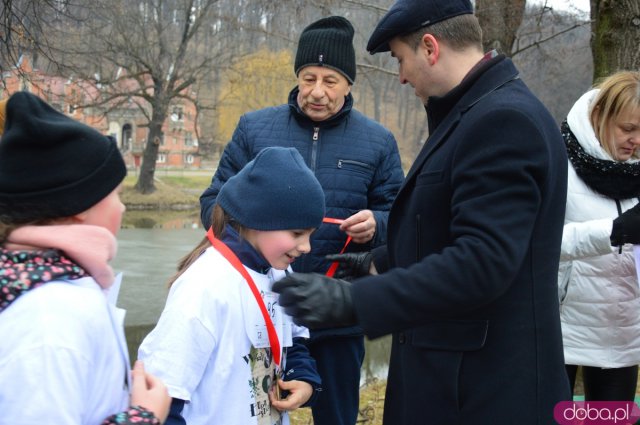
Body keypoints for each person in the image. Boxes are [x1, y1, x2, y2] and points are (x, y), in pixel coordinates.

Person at [272, 1, 572, 424]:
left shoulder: (502, 121)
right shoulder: (473, 113)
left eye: (400, 59)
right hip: (454, 383)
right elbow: (447, 227)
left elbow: (482, 262)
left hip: (484, 393)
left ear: (430, 48)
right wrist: (378, 261)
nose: (401, 76)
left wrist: (354, 302)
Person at [199, 16, 404, 425]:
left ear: (349, 84)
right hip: (258, 310)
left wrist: (377, 225)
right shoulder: (254, 128)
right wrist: (256, 226)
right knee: (255, 415)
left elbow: (400, 217)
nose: (316, 92)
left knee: (337, 418)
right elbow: (211, 205)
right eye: (308, 77)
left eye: (330, 80)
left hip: (338, 311)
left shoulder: (378, 141)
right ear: (297, 76)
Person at [0, 91, 170, 424]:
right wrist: (144, 417)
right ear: (81, 205)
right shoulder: (50, 320)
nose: (122, 207)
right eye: (116, 194)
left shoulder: (55, 287)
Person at [139, 147, 324, 425]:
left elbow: (294, 339)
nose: (306, 246)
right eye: (297, 233)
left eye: (311, 234)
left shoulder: (281, 274)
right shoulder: (203, 287)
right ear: (258, 221)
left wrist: (303, 379)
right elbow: (164, 390)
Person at [558, 71, 640, 401]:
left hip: (621, 336)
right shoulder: (558, 163)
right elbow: (541, 243)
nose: (636, 140)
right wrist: (615, 231)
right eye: (628, 128)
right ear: (599, 115)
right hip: (562, 332)